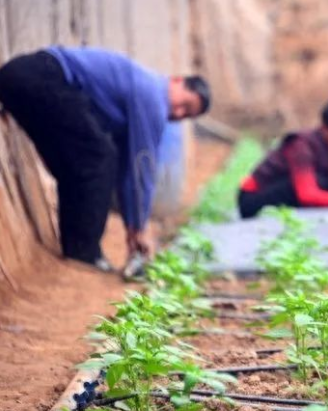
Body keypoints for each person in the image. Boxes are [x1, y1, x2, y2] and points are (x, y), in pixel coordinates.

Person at [0, 46, 211, 272]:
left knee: (78, 166)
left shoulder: (143, 94)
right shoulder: (153, 98)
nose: (178, 113)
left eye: (186, 115)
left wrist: (133, 225)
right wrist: (140, 226)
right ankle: (84, 254)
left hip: (21, 77)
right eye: (184, 105)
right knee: (99, 157)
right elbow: (141, 166)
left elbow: (127, 169)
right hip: (40, 76)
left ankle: (77, 249)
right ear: (177, 81)